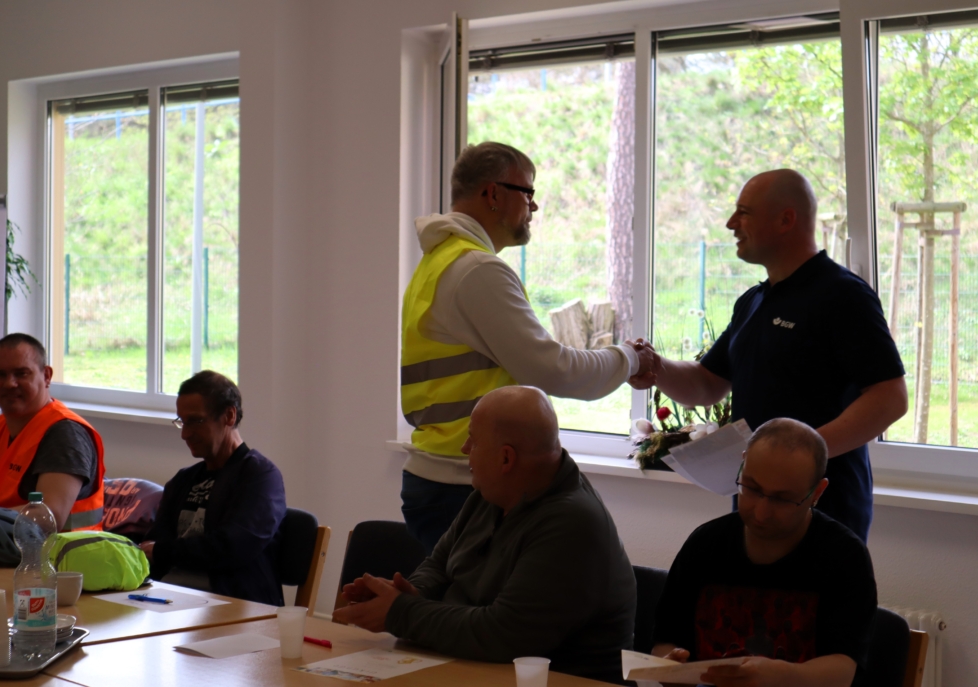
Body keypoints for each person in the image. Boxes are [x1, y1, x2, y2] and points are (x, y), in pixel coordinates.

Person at [401, 141, 654, 552]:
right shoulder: (476, 270)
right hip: (467, 484)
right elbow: (553, 370)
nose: (533, 206)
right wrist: (629, 359)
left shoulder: (439, 262)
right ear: (492, 194)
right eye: (527, 192)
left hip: (442, 476)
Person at [630, 169, 906, 541]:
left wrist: (797, 455)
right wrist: (656, 366)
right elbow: (707, 384)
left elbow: (890, 398)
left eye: (743, 212)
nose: (731, 223)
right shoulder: (754, 301)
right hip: (755, 504)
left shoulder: (843, 295)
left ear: (785, 220)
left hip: (824, 507)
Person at [334, 387, 636, 684]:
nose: (465, 448)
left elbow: (502, 634)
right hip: (474, 671)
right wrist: (412, 594)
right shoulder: (494, 492)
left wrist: (400, 612)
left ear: (506, 459)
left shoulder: (573, 524)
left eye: (473, 440)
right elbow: (439, 565)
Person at [652, 418, 877, 687]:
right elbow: (665, 642)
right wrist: (669, 666)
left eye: (782, 499)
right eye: (752, 488)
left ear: (817, 492)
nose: (760, 513)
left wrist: (783, 677)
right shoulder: (705, 545)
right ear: (742, 464)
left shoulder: (844, 558)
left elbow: (842, 671)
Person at [139, 371, 286, 605]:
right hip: (167, 598)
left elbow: (233, 547)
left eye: (195, 421)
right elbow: (153, 545)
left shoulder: (260, 476)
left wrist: (162, 551)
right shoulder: (182, 480)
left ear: (229, 416)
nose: (185, 434)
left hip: (233, 606)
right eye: (182, 421)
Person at [0, 333, 106, 536]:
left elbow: (48, 517)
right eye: (0, 374)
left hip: (61, 555)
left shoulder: (65, 434)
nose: (9, 383)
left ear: (46, 376)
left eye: (21, 374)